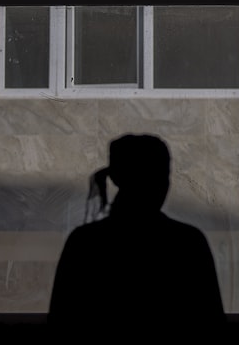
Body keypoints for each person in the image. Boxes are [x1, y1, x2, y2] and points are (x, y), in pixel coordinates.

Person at [47, 133, 227, 326]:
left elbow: (61, 319)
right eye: (160, 176)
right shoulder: (187, 242)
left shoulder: (84, 242)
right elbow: (211, 320)